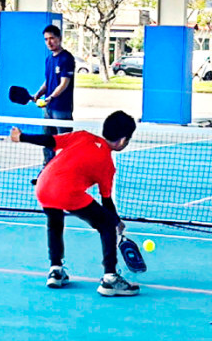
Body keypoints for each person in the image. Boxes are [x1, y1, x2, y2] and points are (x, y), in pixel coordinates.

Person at [9, 110, 140, 297]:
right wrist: (116, 222)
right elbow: (106, 201)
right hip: (66, 191)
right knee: (106, 224)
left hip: (43, 184)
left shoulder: (82, 136)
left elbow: (51, 141)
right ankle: (110, 278)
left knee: (54, 223)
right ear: (123, 141)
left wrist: (22, 137)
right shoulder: (107, 165)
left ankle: (56, 270)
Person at [32, 25, 75, 170]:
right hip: (48, 109)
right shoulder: (49, 59)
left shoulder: (66, 58)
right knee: (47, 142)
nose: (49, 42)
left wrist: (50, 97)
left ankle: (66, 172)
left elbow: (64, 83)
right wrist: (39, 93)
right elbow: (49, 80)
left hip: (61, 109)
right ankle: (47, 172)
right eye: (46, 39)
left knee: (64, 143)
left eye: (52, 38)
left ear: (59, 39)